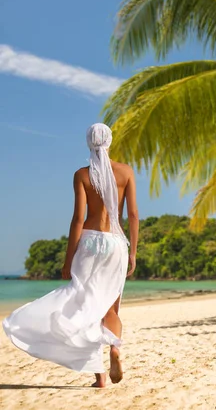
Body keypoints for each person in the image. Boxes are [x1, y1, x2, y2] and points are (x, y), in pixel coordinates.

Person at [3, 123, 139, 388]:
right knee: (110, 307)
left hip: (89, 243)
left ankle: (99, 376)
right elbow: (133, 215)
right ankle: (114, 349)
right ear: (109, 141)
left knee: (85, 305)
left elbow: (78, 219)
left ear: (88, 143)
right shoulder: (126, 172)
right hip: (115, 243)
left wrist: (68, 259)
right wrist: (132, 251)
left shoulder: (82, 175)